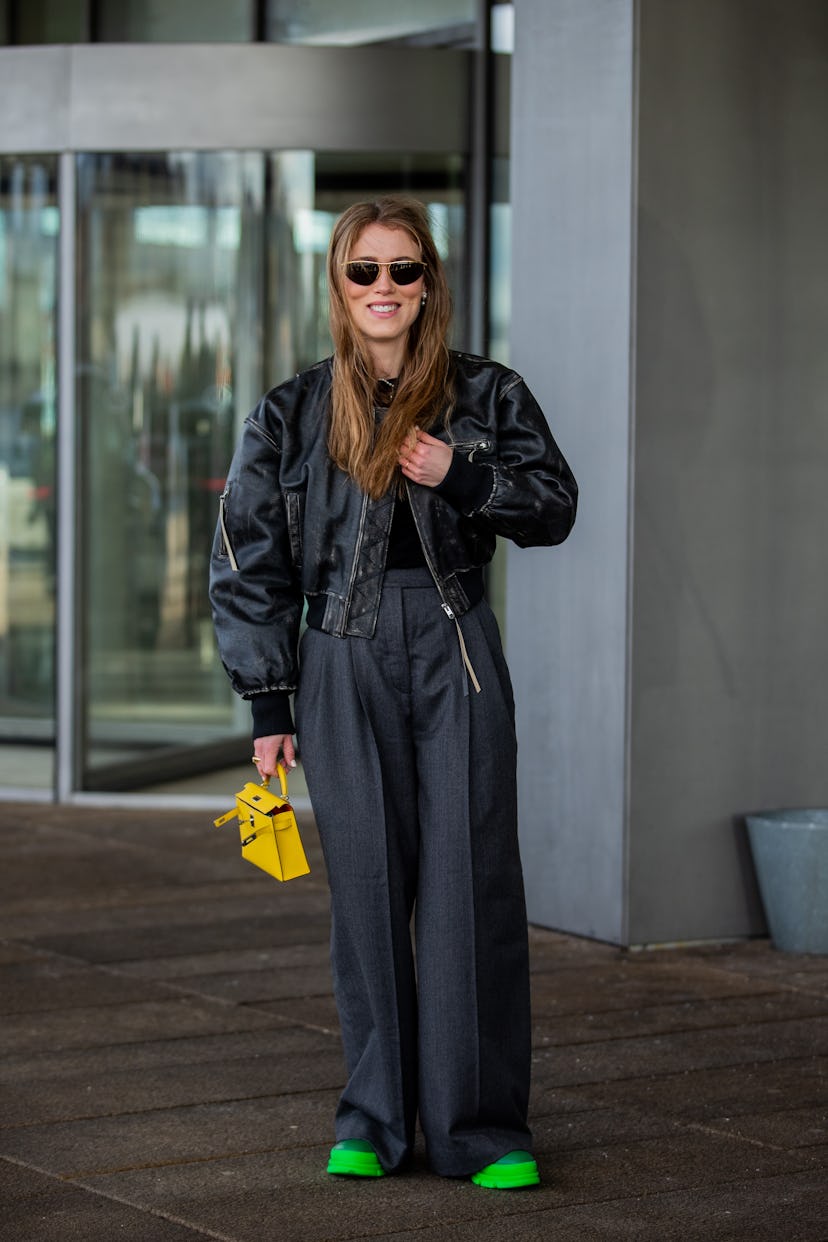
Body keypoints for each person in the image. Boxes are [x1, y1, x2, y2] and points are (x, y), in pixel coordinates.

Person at [209, 196, 577, 1189]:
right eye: (364, 270)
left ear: (429, 285)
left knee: (470, 890)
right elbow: (248, 561)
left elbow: (555, 506)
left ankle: (481, 1132)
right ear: (339, 284)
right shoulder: (290, 412)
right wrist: (269, 703)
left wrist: (464, 477)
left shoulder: (486, 394)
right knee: (366, 895)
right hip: (337, 655)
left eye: (403, 271)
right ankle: (372, 1120)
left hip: (454, 646)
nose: (384, 289)